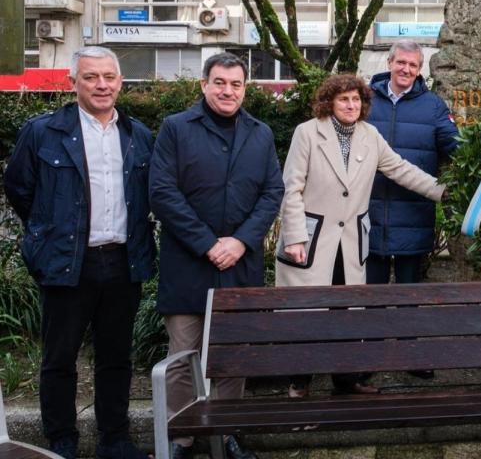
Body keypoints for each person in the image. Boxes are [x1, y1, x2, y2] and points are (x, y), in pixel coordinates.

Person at [4, 47, 156, 459]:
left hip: (123, 261)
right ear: (74, 83)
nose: (102, 85)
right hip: (68, 261)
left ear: (121, 82)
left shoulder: (138, 135)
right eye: (91, 77)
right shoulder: (43, 131)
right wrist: (48, 234)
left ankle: (115, 439)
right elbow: (20, 188)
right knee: (60, 358)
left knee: (116, 357)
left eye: (109, 76)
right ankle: (62, 441)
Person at [149, 53, 284, 459]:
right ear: (204, 84)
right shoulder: (176, 128)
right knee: (183, 357)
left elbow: (271, 192)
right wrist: (208, 243)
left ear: (245, 88)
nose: (228, 91)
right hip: (189, 263)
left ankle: (226, 433)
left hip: (240, 265)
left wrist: (241, 241)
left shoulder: (260, 133)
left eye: (236, 84)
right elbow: (162, 193)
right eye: (220, 82)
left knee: (233, 357)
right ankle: (181, 437)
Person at [277, 74, 446, 397]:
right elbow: (292, 188)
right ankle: (299, 384)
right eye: (344, 99)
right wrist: (295, 237)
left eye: (356, 99)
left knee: (348, 314)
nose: (351, 105)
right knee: (305, 317)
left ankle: (346, 381)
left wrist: (444, 192)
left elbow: (400, 169)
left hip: (350, 242)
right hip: (311, 242)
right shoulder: (307, 133)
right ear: (329, 102)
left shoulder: (370, 135)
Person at [365, 41, 457, 293]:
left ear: (419, 69)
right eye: (401, 63)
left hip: (413, 216)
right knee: (371, 298)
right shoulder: (365, 101)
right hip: (368, 214)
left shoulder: (433, 106)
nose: (406, 69)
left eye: (412, 65)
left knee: (409, 298)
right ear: (390, 63)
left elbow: (456, 146)